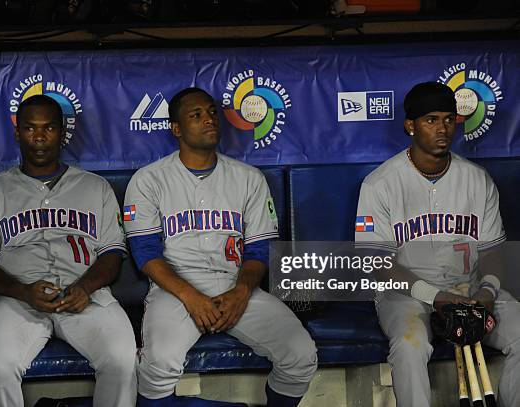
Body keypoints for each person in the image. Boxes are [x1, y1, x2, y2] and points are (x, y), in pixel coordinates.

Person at [124, 87, 317, 406]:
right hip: (174, 290)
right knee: (159, 362)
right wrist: (191, 297)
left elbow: (259, 250)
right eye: (195, 115)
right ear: (176, 128)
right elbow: (146, 253)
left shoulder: (248, 178)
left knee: (301, 354)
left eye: (212, 112)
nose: (208, 119)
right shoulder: (149, 180)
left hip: (235, 285)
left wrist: (241, 292)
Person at [0, 95, 136, 407]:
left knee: (122, 359)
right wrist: (22, 291)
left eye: (49, 128)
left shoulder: (96, 188)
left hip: (85, 295)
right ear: (17, 133)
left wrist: (84, 287)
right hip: (17, 299)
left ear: (62, 131)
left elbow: (111, 254)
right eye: (30, 128)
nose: (39, 137)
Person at [355, 81, 520, 407]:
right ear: (410, 126)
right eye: (431, 120)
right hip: (407, 296)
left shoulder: (477, 179)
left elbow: (492, 250)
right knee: (409, 344)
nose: (442, 128)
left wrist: (487, 292)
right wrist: (436, 297)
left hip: (471, 289)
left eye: (448, 119)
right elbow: (377, 263)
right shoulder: (380, 184)